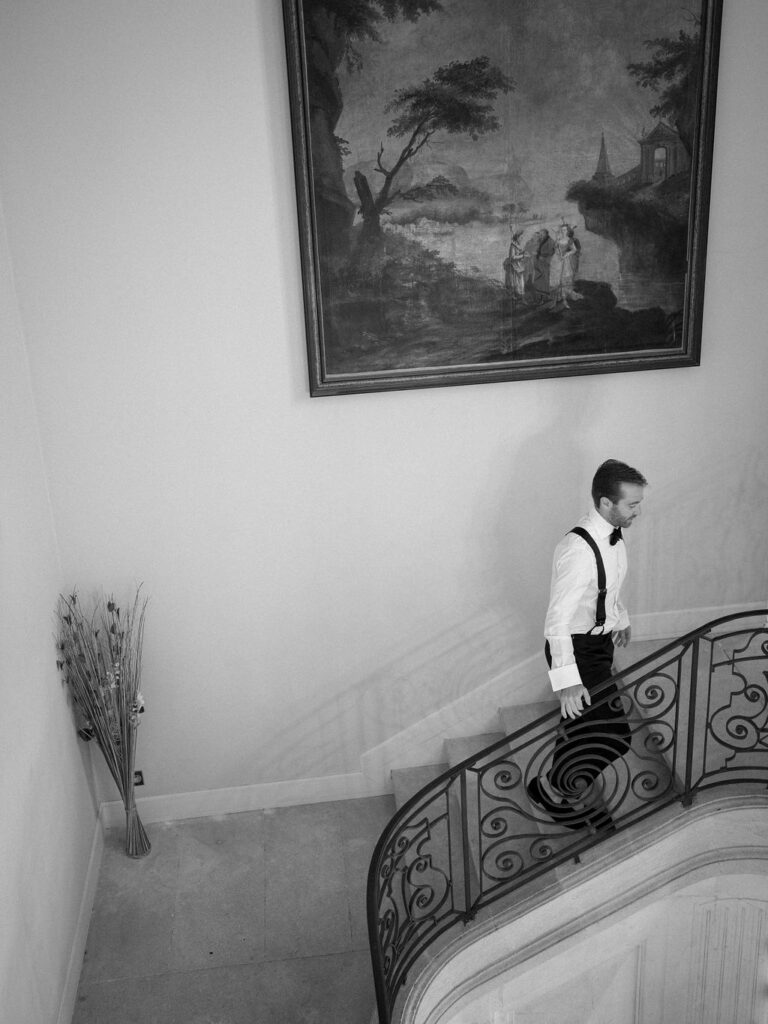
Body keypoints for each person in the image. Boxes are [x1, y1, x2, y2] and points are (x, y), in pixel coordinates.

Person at [527, 459, 648, 832]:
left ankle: (553, 786)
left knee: (579, 726)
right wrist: (567, 680)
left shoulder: (611, 533)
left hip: (597, 644)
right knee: (616, 736)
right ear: (606, 503)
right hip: (577, 650)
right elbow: (556, 621)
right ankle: (551, 791)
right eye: (632, 505)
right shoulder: (578, 550)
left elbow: (607, 586)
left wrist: (620, 618)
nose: (637, 512)